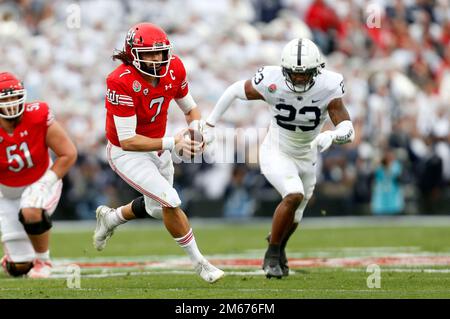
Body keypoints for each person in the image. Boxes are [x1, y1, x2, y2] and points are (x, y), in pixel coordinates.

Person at [205, 38, 355, 278]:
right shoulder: (271, 80)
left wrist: (335, 136)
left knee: (296, 215)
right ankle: (271, 255)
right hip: (277, 150)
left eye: (304, 73)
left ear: (317, 70)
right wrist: (210, 123)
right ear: (284, 71)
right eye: (293, 74)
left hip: (307, 156)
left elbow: (348, 128)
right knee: (293, 194)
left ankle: (279, 248)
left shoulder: (329, 86)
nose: (298, 79)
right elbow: (235, 90)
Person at [92, 22, 224, 283]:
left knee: (156, 208)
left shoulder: (174, 68)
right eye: (149, 54)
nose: (156, 59)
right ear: (133, 54)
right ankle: (201, 264)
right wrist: (172, 143)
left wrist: (196, 130)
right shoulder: (120, 81)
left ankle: (111, 218)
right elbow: (128, 140)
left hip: (158, 146)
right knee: (170, 200)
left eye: (160, 53)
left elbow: (190, 109)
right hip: (126, 152)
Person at [0, 72, 77, 278]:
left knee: (31, 209)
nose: (10, 104)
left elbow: (68, 153)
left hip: (40, 179)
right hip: (6, 191)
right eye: (4, 99)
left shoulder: (37, 114)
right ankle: (16, 259)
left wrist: (46, 182)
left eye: (14, 97)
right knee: (19, 269)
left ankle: (44, 261)